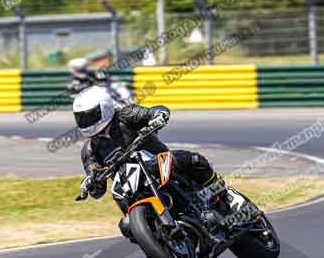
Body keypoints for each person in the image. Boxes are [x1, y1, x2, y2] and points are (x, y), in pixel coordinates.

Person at [72, 86, 230, 239]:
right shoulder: (89, 149)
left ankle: (220, 193)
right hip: (131, 188)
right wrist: (91, 182)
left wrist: (158, 116)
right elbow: (96, 185)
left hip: (158, 162)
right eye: (82, 118)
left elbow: (155, 111)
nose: (86, 122)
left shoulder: (125, 115)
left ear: (104, 108)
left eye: (89, 116)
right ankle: (153, 232)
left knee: (193, 160)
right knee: (128, 228)